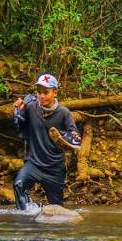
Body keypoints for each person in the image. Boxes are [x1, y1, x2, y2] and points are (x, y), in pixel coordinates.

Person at [12, 73, 81, 210]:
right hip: (33, 163)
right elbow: (19, 124)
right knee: (18, 185)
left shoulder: (64, 113)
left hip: (54, 168)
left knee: (56, 208)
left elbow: (75, 137)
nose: (42, 96)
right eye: (39, 92)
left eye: (46, 92)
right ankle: (25, 219)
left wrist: (71, 137)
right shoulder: (31, 107)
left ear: (55, 93)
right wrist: (17, 110)